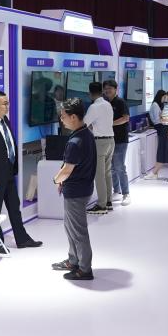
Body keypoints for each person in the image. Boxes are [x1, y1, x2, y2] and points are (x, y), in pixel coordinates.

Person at [0, 90, 41, 249]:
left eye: (8, 103)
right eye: (5, 104)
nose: (8, 106)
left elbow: (9, 144)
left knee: (14, 208)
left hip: (9, 173)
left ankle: (22, 239)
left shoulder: (5, 121)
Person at [51, 98, 97, 281]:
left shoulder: (76, 141)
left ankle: (84, 269)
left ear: (73, 117)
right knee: (70, 228)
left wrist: (56, 180)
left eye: (63, 116)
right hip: (80, 189)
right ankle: (73, 260)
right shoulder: (86, 133)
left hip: (77, 192)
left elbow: (67, 170)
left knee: (78, 231)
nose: (61, 120)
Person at [84, 81, 115, 214]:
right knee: (107, 173)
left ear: (90, 93)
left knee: (99, 175)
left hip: (100, 143)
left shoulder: (94, 107)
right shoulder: (108, 104)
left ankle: (101, 205)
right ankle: (108, 201)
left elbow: (84, 124)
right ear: (102, 91)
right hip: (111, 141)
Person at [104, 79, 132, 206]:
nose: (107, 90)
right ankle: (117, 191)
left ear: (115, 89)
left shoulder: (120, 102)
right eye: (106, 88)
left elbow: (126, 118)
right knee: (112, 168)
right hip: (109, 139)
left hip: (120, 140)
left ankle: (126, 194)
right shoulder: (105, 103)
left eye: (110, 88)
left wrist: (110, 124)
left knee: (120, 167)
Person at [144, 90, 168, 180]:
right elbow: (160, 118)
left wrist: (166, 120)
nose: (167, 98)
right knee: (162, 152)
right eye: (166, 96)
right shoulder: (164, 106)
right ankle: (155, 173)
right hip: (163, 129)